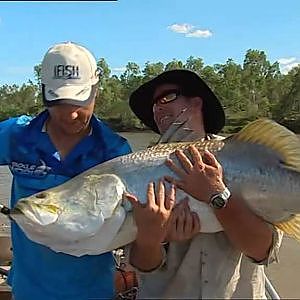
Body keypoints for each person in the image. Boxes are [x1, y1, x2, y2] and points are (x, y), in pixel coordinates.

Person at [125, 69, 283, 299]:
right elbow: (142, 265)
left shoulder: (247, 154)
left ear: (197, 103)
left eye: (167, 97)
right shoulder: (138, 170)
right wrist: (152, 238)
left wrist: (218, 197)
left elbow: (262, 251)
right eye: (153, 104)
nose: (157, 107)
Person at [1, 41, 132, 300]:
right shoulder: (17, 135)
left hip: (93, 292)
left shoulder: (115, 151)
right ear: (44, 93)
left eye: (79, 102)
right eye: (59, 103)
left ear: (96, 92)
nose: (70, 115)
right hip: (27, 291)